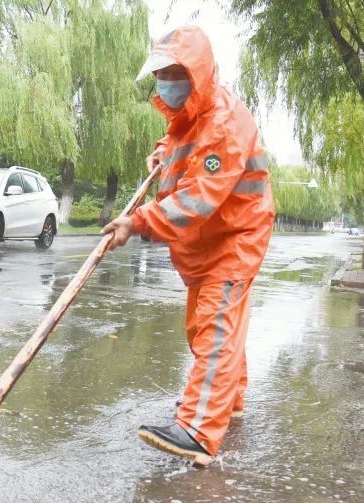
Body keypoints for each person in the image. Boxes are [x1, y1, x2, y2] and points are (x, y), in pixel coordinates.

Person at [102, 26, 275, 466]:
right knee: (206, 329)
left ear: (195, 73)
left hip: (235, 237)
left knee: (215, 328)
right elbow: (181, 138)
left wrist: (137, 222)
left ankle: (198, 430)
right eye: (161, 73)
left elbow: (197, 199)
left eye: (173, 73)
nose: (165, 82)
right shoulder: (194, 114)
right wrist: (162, 150)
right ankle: (230, 399)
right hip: (204, 245)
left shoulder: (224, 123)